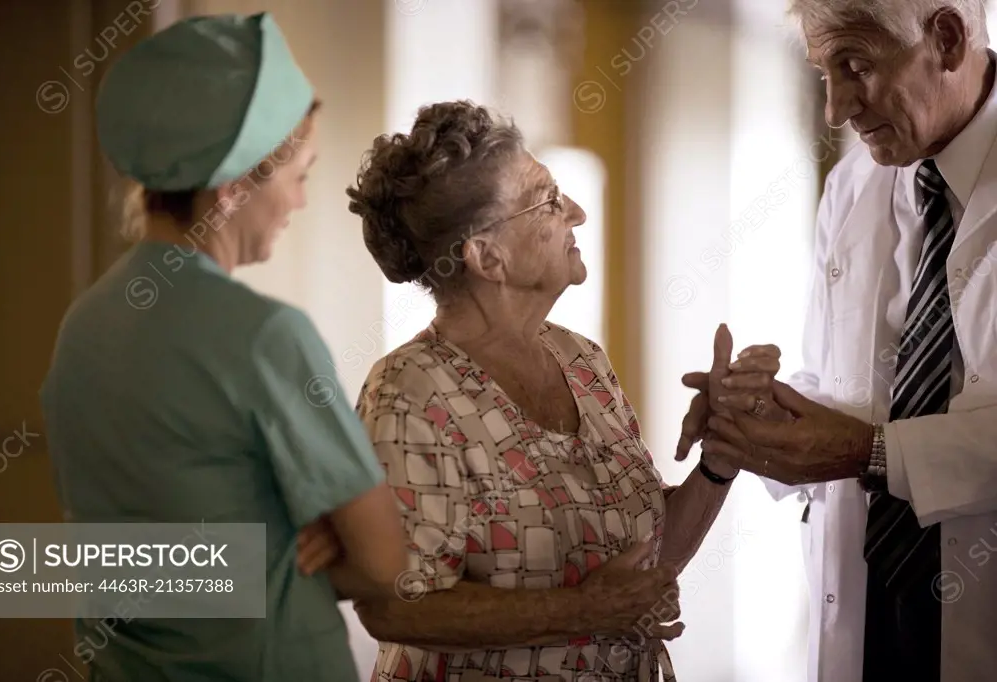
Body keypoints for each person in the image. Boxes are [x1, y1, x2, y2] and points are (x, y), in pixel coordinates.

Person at [334, 100, 780, 681]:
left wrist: (721, 453)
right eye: (546, 201)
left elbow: (642, 560)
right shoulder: (409, 394)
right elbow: (394, 604)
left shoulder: (581, 360)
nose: (576, 212)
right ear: (486, 256)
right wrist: (584, 610)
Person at [40, 12, 407, 682]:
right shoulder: (267, 336)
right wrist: (324, 542)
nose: (300, 200)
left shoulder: (80, 329)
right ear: (234, 185)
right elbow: (383, 561)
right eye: (298, 173)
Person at [681, 1, 997, 681]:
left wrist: (871, 451)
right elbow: (847, 389)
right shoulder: (854, 184)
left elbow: (867, 439)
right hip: (871, 596)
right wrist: (769, 412)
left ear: (945, 38)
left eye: (855, 67)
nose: (834, 109)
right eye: (824, 73)